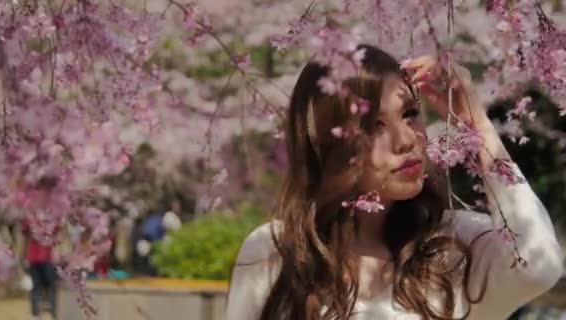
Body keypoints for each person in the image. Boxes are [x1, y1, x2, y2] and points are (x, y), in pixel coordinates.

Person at [226, 45, 565, 320]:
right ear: (328, 146)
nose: (406, 140)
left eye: (410, 114)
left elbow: (539, 265)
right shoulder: (275, 253)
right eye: (374, 125)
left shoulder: (455, 247)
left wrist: (475, 122)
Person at [22, 216, 58, 320]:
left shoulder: (30, 218)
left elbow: (25, 238)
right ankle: (51, 313)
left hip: (36, 258)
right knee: (50, 287)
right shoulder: (51, 218)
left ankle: (37, 315)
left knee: (38, 288)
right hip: (43, 258)